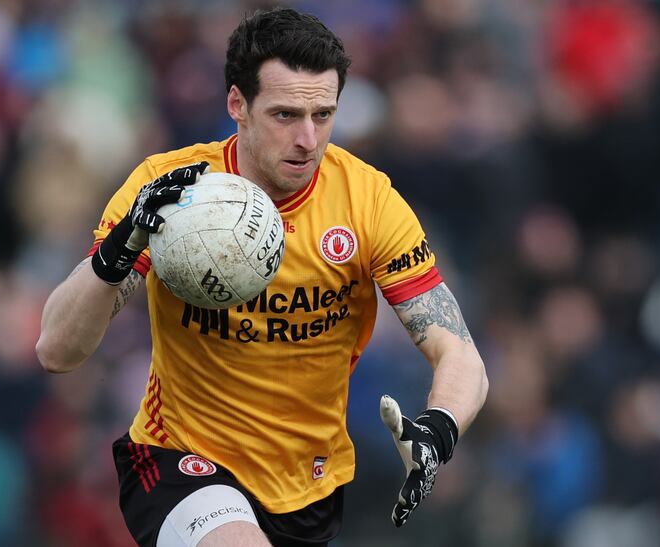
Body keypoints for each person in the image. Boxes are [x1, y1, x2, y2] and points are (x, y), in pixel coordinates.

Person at [36, 7, 488, 547]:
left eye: (323, 115)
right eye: (284, 115)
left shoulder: (368, 202)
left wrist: (438, 429)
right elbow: (56, 351)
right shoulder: (170, 190)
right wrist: (119, 248)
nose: (307, 138)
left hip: (308, 487)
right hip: (180, 461)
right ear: (237, 105)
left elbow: (459, 352)